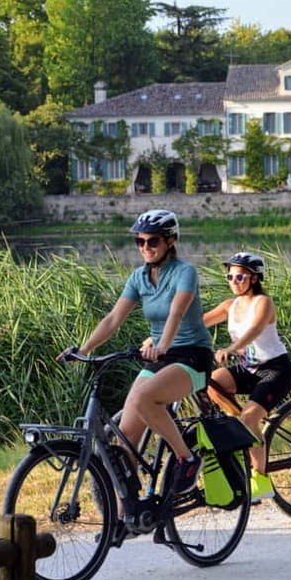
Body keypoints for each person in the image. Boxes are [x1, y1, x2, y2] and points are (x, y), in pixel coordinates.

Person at [59, 209, 213, 508]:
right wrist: (83, 350)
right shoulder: (139, 277)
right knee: (126, 437)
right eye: (139, 242)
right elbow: (114, 318)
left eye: (152, 241)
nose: (145, 247)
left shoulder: (185, 273)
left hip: (191, 356)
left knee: (143, 397)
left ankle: (186, 458)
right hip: (160, 357)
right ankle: (123, 514)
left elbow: (176, 313)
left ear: (170, 241)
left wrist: (162, 345)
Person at [203, 251, 291, 503]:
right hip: (249, 369)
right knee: (214, 382)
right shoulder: (229, 306)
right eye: (230, 276)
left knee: (248, 418)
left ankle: (260, 478)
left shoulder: (263, 303)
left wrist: (231, 349)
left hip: (275, 369)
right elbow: (198, 324)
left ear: (254, 278)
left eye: (240, 276)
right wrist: (162, 340)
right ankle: (245, 430)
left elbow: (254, 330)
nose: (233, 281)